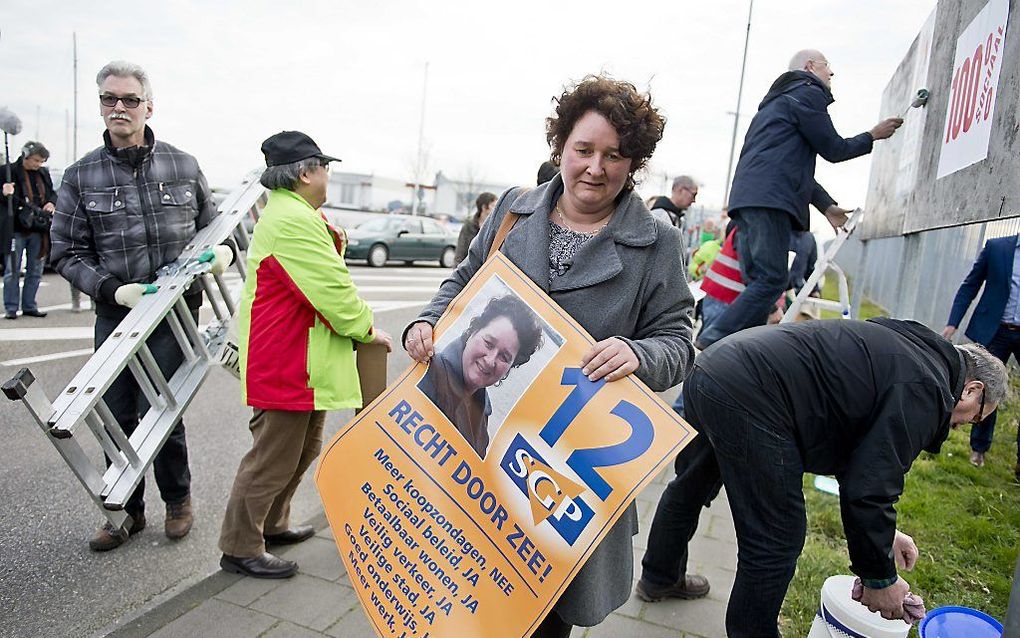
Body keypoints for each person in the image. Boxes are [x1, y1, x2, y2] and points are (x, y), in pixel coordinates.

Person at [404, 75, 695, 638]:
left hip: (562, 475)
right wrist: (427, 321)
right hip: (477, 453)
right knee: (462, 596)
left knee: (543, 616)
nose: (595, 167)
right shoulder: (513, 214)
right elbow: (463, 283)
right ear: (560, 147)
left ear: (633, 164)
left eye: (614, 156)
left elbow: (679, 345)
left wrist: (638, 354)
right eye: (583, 150)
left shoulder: (657, 244)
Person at [639, 318, 1008, 636]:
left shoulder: (916, 350)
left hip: (715, 367)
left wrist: (884, 535)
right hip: (754, 395)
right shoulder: (927, 390)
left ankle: (660, 576)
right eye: (975, 418)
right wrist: (881, 579)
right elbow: (871, 489)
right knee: (777, 536)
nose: (963, 427)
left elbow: (862, 457)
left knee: (691, 485)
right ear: (971, 390)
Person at [51, 61, 222, 551]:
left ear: (149, 106)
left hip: (174, 316)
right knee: (116, 414)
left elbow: (211, 227)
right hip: (118, 313)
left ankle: (178, 500)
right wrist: (111, 289)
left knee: (162, 413)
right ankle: (124, 511)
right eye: (109, 99)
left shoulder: (183, 164)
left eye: (128, 99)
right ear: (101, 105)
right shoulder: (82, 175)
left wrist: (223, 253)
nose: (118, 108)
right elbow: (64, 251)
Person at [218, 131, 392, 579]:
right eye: (325, 167)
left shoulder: (295, 215)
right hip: (287, 361)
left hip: (301, 360)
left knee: (301, 450)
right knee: (272, 458)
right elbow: (331, 291)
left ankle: (272, 524)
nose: (328, 175)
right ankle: (240, 546)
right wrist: (367, 328)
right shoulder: (293, 221)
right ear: (305, 172)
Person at [696, 49, 903, 349]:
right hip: (770, 202)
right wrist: (873, 135)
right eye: (827, 66)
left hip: (748, 199)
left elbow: (788, 169)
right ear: (810, 67)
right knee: (772, 279)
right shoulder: (807, 92)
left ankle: (740, 349)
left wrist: (827, 206)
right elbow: (834, 148)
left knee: (760, 284)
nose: (831, 74)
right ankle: (714, 337)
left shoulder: (775, 104)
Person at [419, 295, 543, 458]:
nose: (490, 360)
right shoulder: (427, 374)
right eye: (489, 343)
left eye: (504, 357)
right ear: (473, 332)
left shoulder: (483, 410)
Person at [943, 234, 1020, 478]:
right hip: (994, 330)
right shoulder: (997, 248)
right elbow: (970, 285)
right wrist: (952, 324)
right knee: (986, 389)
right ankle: (979, 448)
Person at [2, 141, 55, 319]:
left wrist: (51, 203)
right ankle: (11, 307)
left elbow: (52, 193)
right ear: (26, 156)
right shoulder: (7, 171)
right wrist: (3, 193)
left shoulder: (43, 174)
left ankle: (30, 305)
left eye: (41, 162)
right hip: (15, 228)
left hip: (39, 228)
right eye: (36, 161)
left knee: (36, 270)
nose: (38, 165)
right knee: (12, 270)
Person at [454, 191, 497, 264]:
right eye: (493, 205)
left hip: (486, 269)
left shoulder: (495, 226)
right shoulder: (469, 225)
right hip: (468, 269)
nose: (496, 209)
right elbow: (460, 251)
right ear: (484, 207)